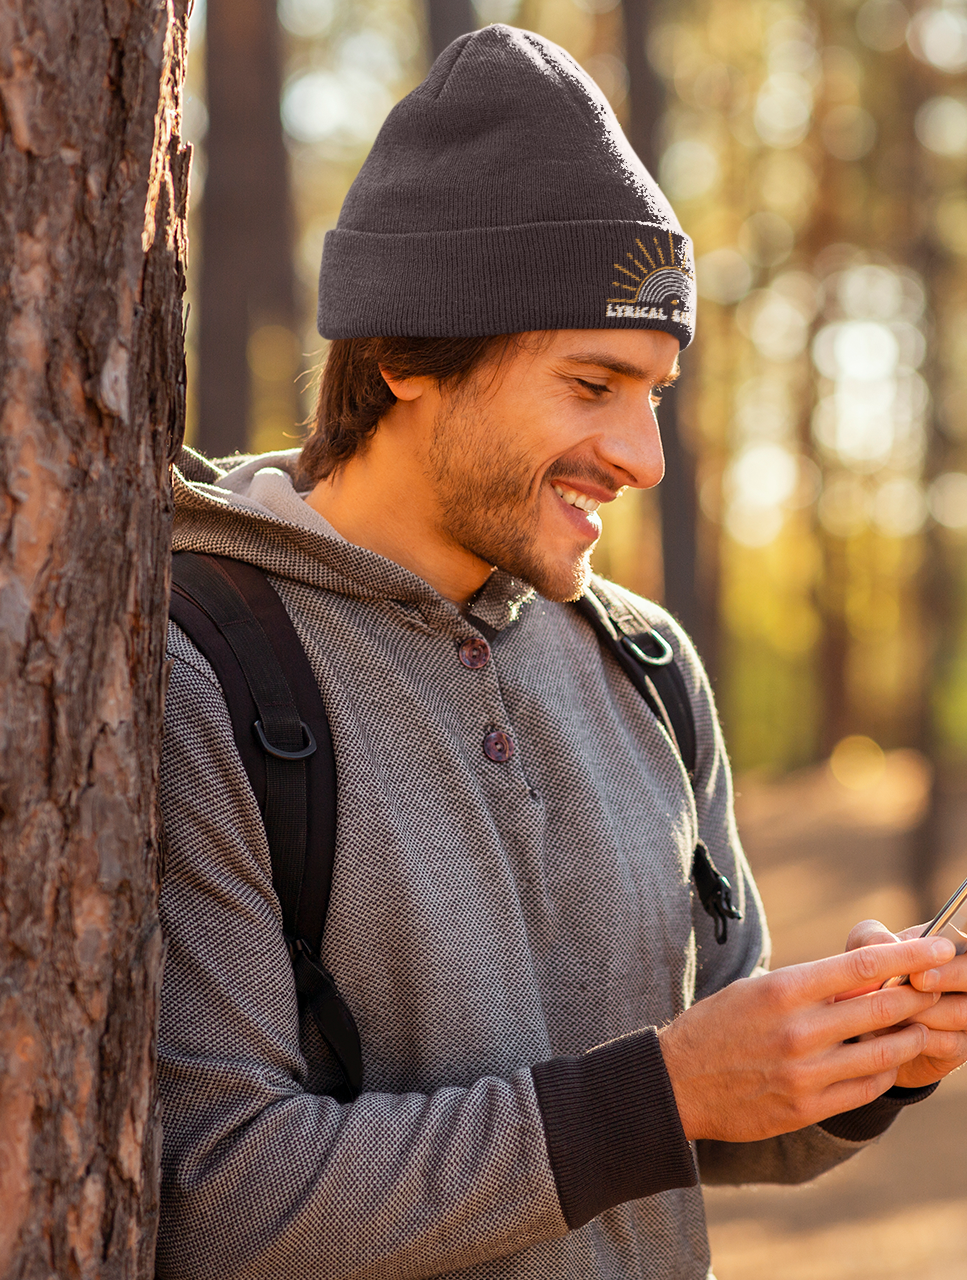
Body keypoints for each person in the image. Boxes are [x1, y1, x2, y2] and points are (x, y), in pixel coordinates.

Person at [155, 25, 967, 1280]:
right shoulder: (200, 669)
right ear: (409, 353)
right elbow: (220, 1193)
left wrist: (856, 1060)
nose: (642, 455)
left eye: (656, 391)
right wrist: (663, 1091)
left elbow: (698, 1108)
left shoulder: (642, 663)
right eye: (593, 384)